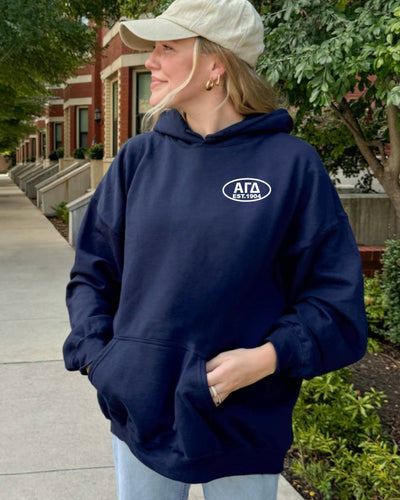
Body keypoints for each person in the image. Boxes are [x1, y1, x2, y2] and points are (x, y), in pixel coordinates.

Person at [63, 0, 368, 498]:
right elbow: (92, 275)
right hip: (139, 415)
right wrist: (102, 361)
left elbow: (336, 302)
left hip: (245, 422)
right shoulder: (138, 159)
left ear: (216, 64)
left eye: (167, 48)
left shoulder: (292, 165)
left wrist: (267, 358)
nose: (151, 62)